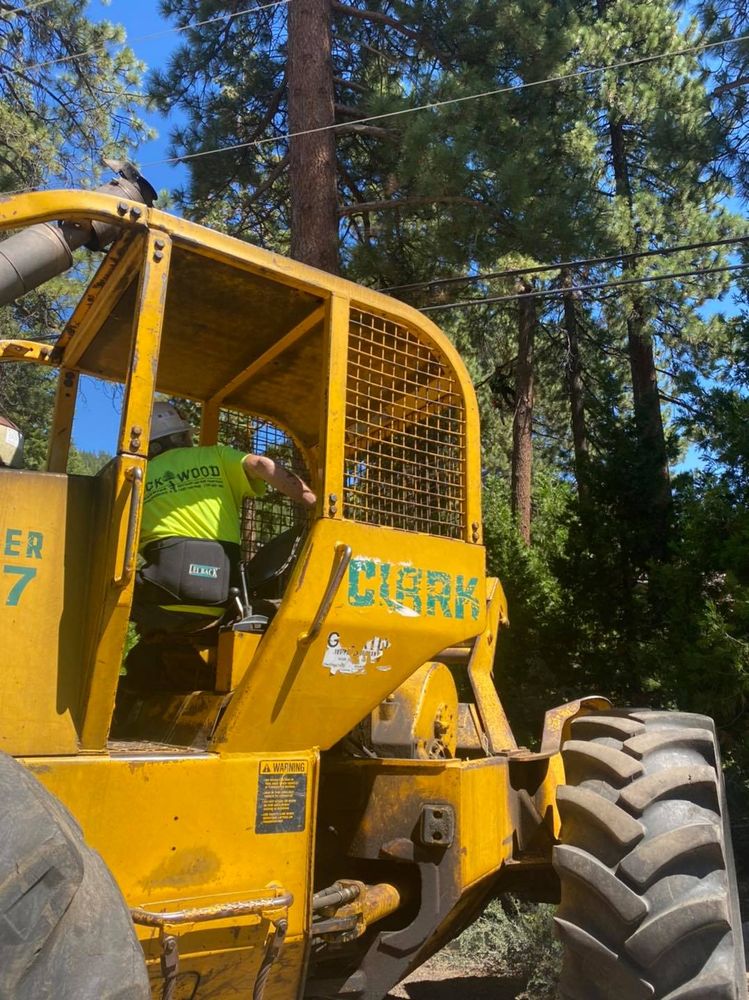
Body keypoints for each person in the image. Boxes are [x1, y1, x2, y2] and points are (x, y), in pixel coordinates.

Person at [131, 401, 316, 640]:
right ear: (182, 435)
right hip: (220, 595)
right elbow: (262, 465)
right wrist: (320, 506)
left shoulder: (138, 474)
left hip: (160, 596)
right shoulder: (215, 456)